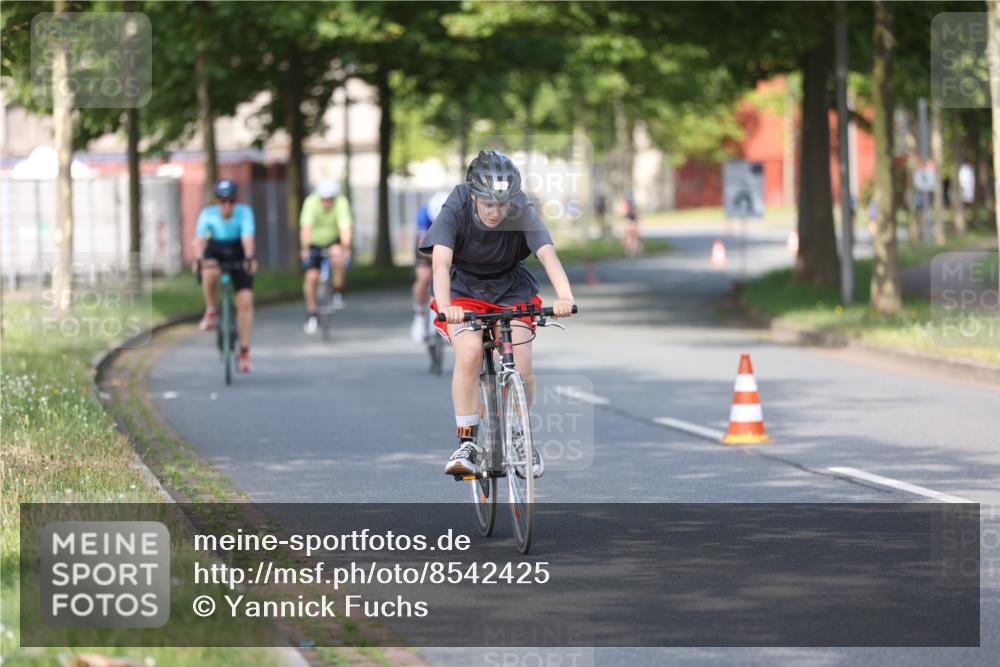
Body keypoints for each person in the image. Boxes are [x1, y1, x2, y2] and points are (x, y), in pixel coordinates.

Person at [419, 150, 576, 478]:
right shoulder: (458, 203)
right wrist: (447, 306)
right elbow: (441, 261)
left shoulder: (520, 205)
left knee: (522, 361)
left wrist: (565, 296)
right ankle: (468, 443)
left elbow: (546, 253)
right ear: (474, 195)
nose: (497, 212)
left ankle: (521, 434)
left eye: (503, 205)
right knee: (471, 353)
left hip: (510, 287)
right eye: (489, 204)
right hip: (463, 291)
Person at [192, 179, 257, 373]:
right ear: (217, 200)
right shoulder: (208, 214)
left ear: (235, 200)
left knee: (246, 301)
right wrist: (198, 259)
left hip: (238, 250)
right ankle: (212, 308)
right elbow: (200, 240)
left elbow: (247, 237)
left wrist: (249, 257)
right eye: (222, 200)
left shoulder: (244, 212)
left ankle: (244, 352)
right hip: (216, 250)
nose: (226, 205)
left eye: (230, 200)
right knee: (209, 270)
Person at [301, 180, 353, 335]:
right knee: (311, 277)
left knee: (337, 255)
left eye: (330, 199)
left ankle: (338, 290)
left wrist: (346, 248)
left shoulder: (341, 203)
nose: (327, 203)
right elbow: (306, 228)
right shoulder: (310, 203)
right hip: (314, 242)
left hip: (333, 239)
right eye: (324, 199)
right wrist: (304, 249)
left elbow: (345, 228)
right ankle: (312, 313)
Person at [410, 191, 450, 343]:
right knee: (423, 276)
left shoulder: (458, 214)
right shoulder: (424, 215)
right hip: (427, 250)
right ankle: (419, 315)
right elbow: (422, 246)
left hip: (449, 248)